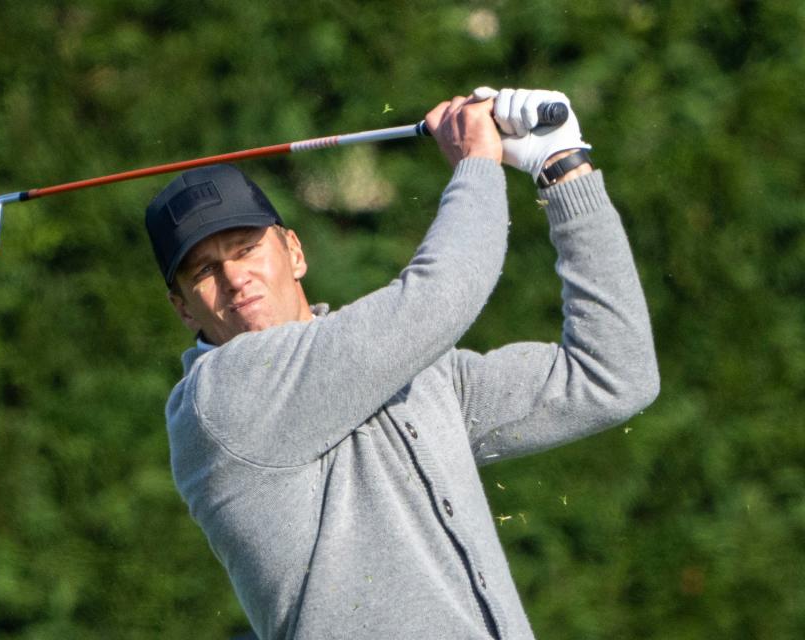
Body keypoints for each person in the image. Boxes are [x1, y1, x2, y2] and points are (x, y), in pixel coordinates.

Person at [144, 86, 660, 640]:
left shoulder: (408, 372)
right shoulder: (218, 398)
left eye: (246, 248)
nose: (234, 278)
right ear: (182, 309)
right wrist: (476, 164)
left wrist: (564, 169)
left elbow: (611, 375)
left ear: (294, 251)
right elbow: (441, 296)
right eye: (203, 271)